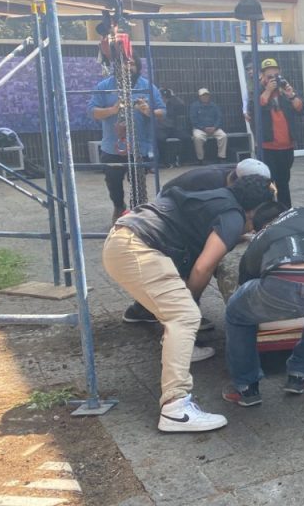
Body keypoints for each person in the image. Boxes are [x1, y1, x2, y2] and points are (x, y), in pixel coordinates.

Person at [101, 174, 274, 432]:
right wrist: (190, 301)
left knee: (177, 310)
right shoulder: (232, 215)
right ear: (256, 210)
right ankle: (175, 408)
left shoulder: (220, 196)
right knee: (184, 315)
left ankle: (182, 348)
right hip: (137, 248)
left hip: (127, 239)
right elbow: (203, 268)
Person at [221, 203, 304, 406]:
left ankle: (245, 387)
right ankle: (300, 374)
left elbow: (247, 279)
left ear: (259, 227)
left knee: (237, 314)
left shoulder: (262, 236)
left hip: (284, 286)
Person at [121, 158, 273, 327]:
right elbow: (202, 268)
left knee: (195, 255)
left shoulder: (231, 190)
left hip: (132, 230)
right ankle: (185, 324)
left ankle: (143, 310)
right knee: (199, 262)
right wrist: (190, 308)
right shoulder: (212, 189)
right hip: (146, 234)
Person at [89, 56, 164, 223]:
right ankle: (118, 207)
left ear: (138, 67)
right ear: (117, 67)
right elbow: (93, 112)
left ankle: (138, 213)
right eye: (124, 63)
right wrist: (112, 109)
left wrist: (148, 111)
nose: (128, 67)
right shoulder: (104, 87)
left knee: (138, 182)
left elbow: (162, 113)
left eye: (132, 64)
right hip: (112, 146)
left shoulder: (147, 86)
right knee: (113, 181)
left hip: (139, 146)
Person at [257, 58, 304, 208]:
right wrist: (267, 91)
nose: (273, 80)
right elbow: (256, 111)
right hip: (267, 147)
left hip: (286, 147)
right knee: (267, 183)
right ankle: (267, 213)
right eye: (269, 77)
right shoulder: (257, 91)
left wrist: (291, 95)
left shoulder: (284, 91)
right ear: (262, 76)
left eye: (276, 76)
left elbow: (302, 110)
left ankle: (285, 211)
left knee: (284, 182)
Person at [190, 88, 227, 165]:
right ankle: (200, 159)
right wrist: (203, 128)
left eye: (207, 95)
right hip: (200, 129)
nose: (205, 97)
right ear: (199, 97)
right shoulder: (194, 106)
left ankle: (221, 157)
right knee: (197, 138)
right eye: (203, 96)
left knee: (223, 136)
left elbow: (219, 117)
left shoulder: (214, 105)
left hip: (214, 128)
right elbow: (193, 120)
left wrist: (215, 127)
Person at [158, 88, 189, 167]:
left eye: (166, 97)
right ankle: (165, 162)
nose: (164, 99)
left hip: (171, 129)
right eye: (162, 97)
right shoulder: (156, 105)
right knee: (159, 139)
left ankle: (181, 160)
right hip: (160, 129)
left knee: (186, 137)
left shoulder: (172, 104)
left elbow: (182, 105)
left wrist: (173, 96)